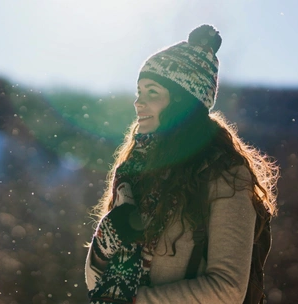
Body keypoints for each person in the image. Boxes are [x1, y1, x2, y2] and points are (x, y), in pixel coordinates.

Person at [85, 24, 279, 304]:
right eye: (139, 91)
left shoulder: (225, 175)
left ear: (183, 103)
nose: (139, 103)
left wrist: (136, 301)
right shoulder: (134, 170)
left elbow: (228, 288)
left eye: (152, 92)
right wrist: (103, 244)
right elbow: (99, 282)